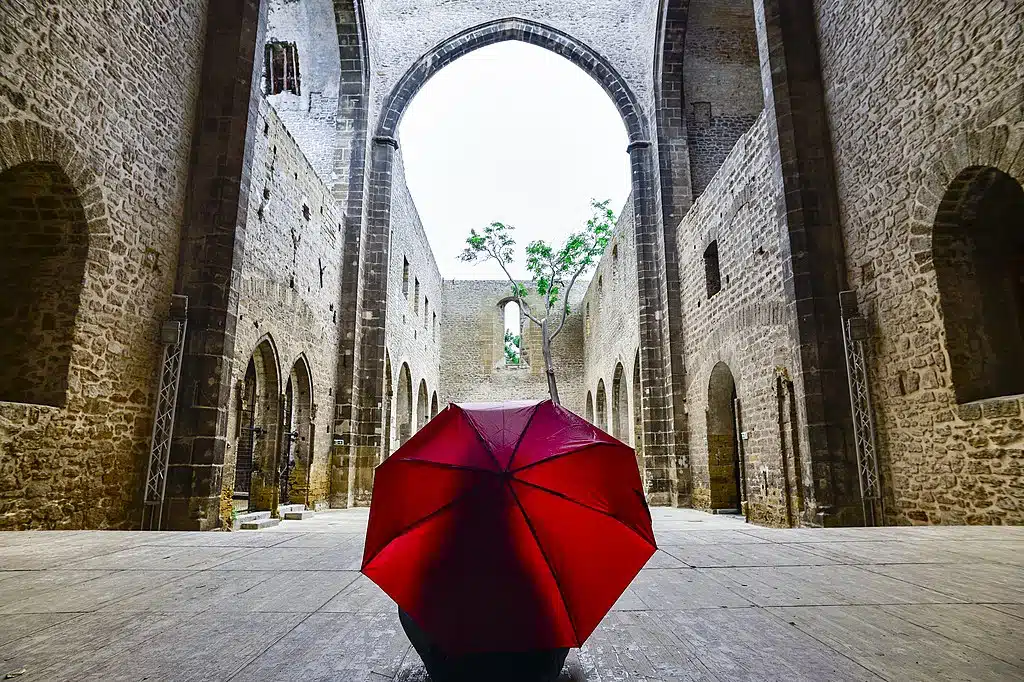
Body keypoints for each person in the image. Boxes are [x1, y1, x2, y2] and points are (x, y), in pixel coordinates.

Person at [399, 608, 569, 682]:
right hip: (532, 674)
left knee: (408, 605)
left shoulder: (447, 567)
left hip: (455, 674)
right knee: (565, 604)